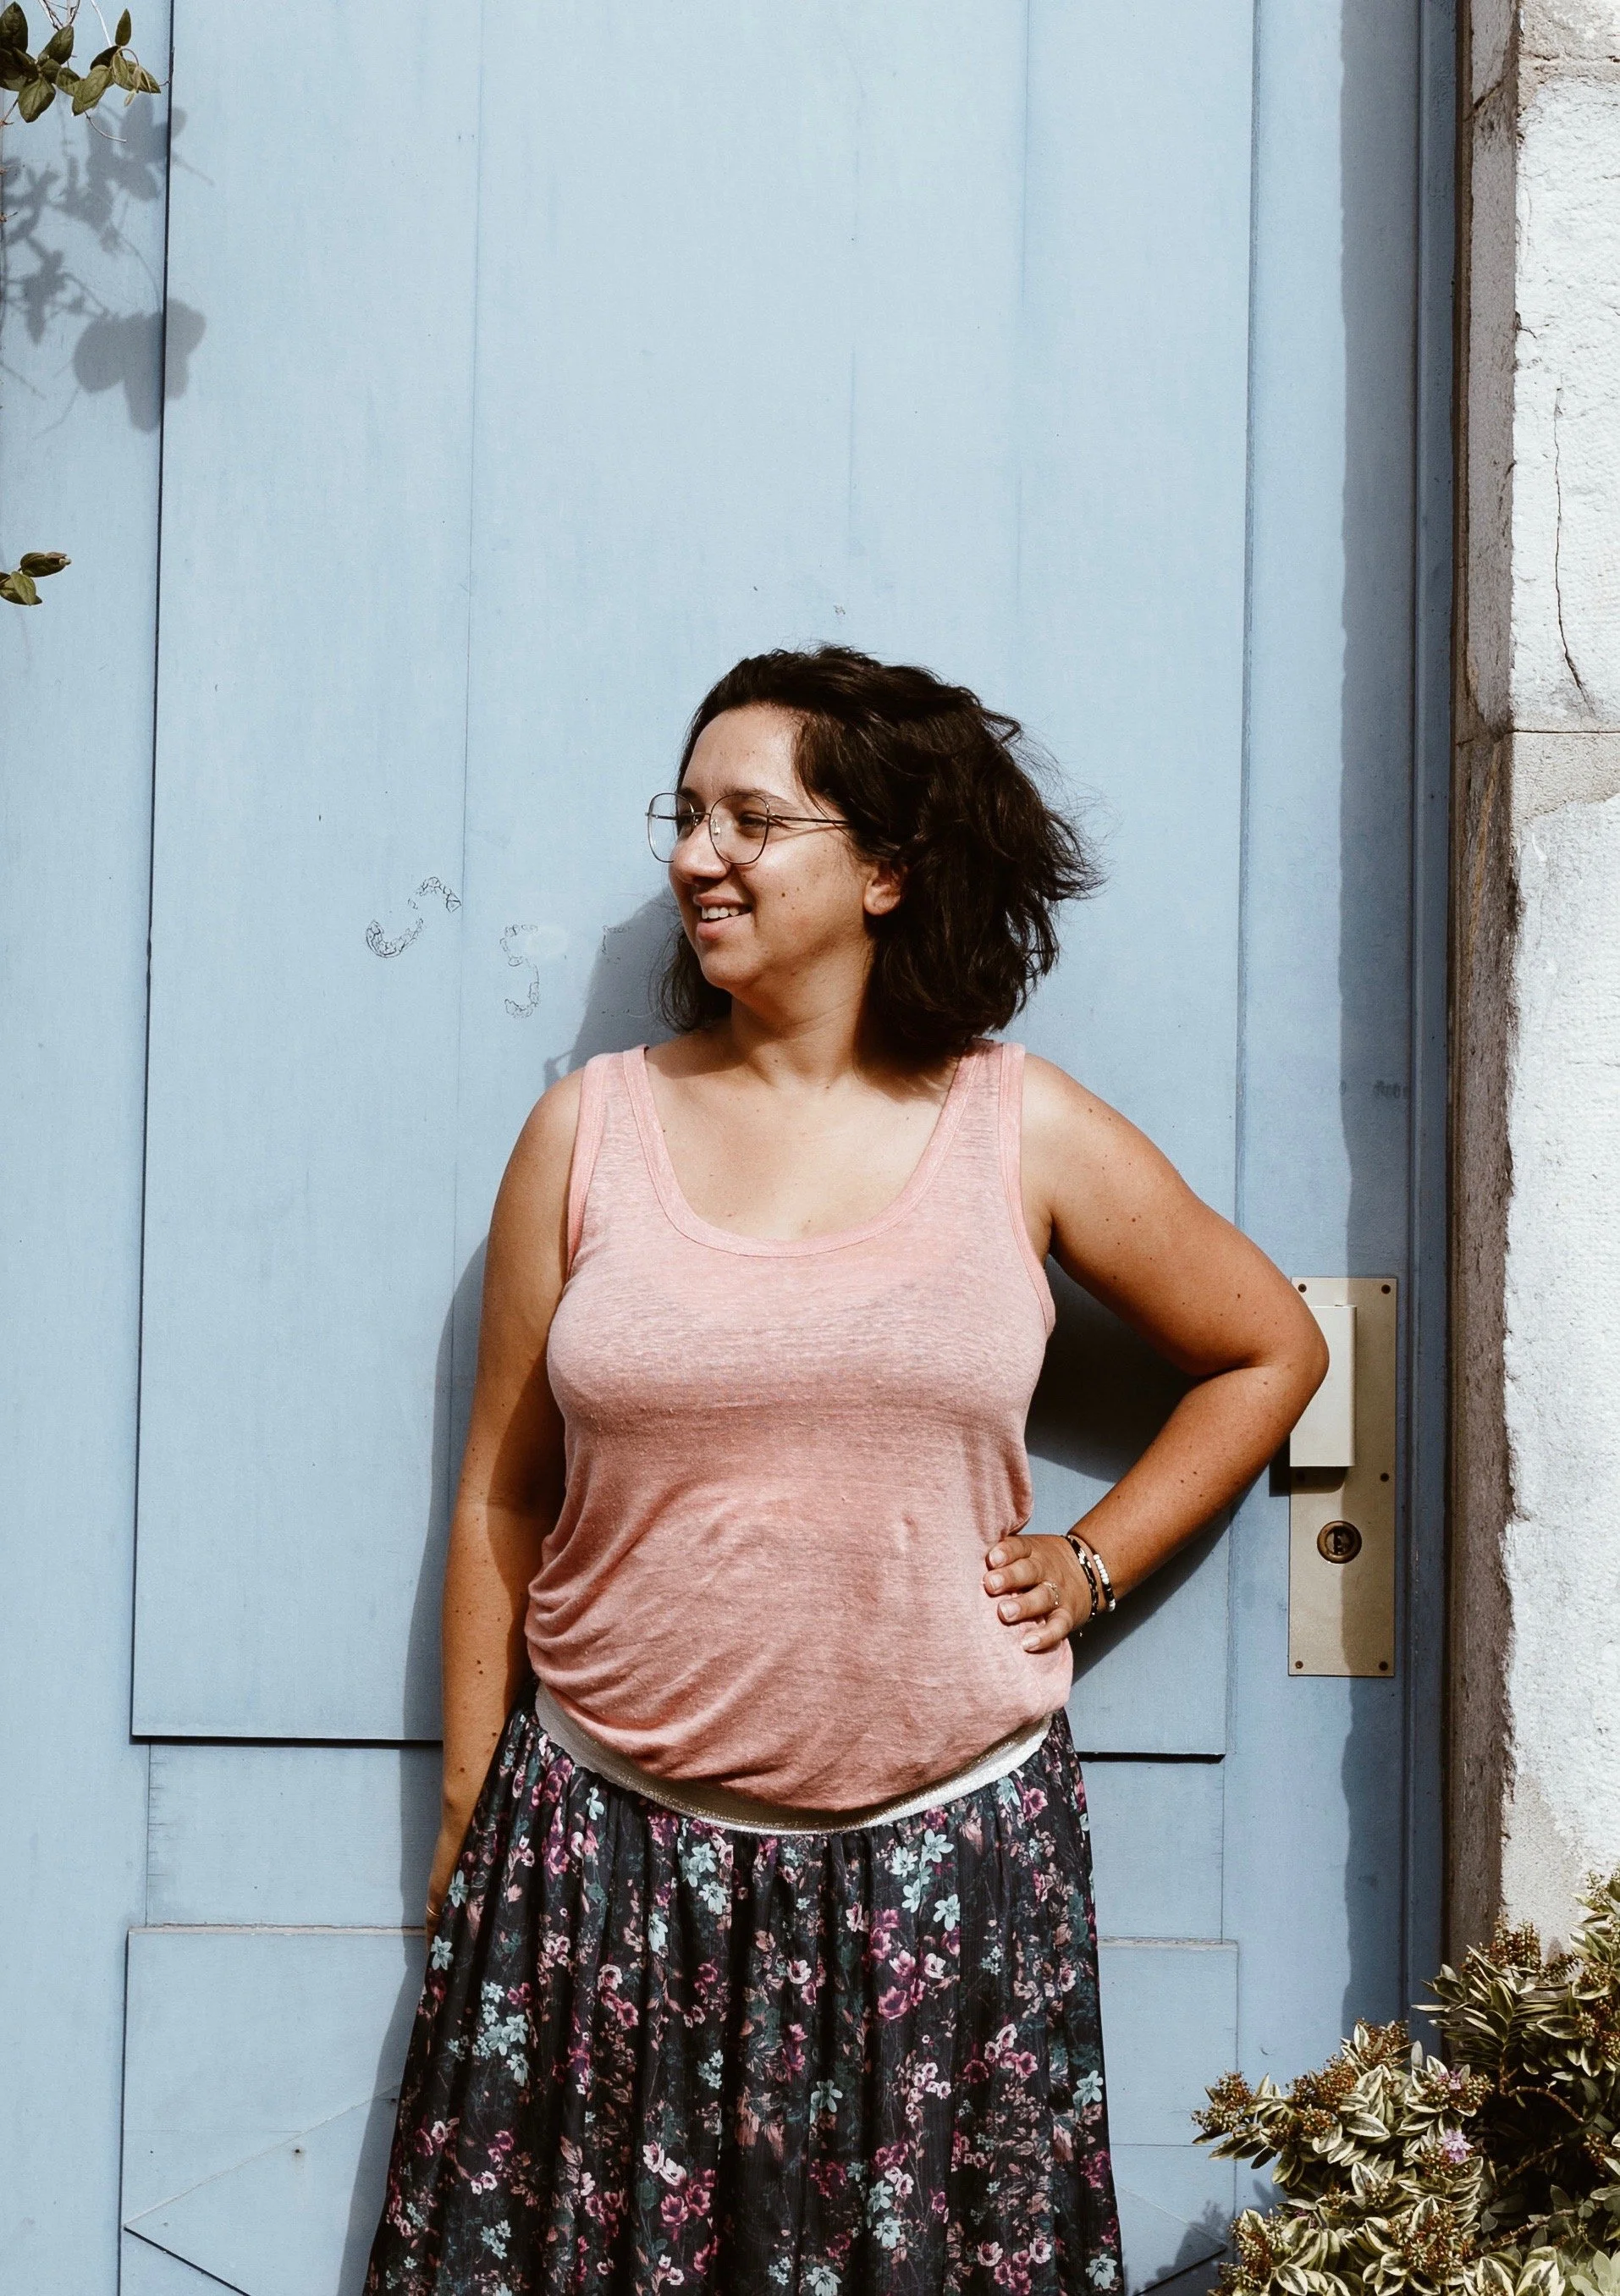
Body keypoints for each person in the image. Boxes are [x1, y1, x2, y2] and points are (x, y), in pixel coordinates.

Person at [364, 647, 1327, 2295]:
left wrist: (1094, 1556)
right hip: (604, 1865)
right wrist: (469, 1836)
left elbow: (1272, 1349)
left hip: (939, 1877)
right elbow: (499, 1501)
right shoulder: (586, 1133)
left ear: (886, 866)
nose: (694, 855)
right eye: (685, 816)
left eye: (752, 817)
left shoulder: (1017, 1130)